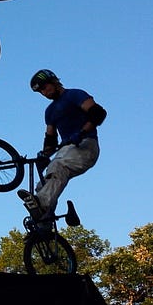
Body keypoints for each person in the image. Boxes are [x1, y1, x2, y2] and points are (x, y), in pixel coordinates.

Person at [18, 69, 107, 223]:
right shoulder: (50, 111)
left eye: (45, 88)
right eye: (40, 92)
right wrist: (44, 155)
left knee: (58, 166)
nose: (44, 93)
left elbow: (98, 113)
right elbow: (51, 140)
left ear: (54, 82)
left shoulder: (74, 95)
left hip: (86, 145)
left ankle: (43, 204)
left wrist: (81, 132)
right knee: (42, 185)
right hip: (67, 150)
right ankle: (44, 224)